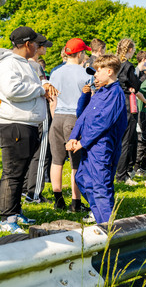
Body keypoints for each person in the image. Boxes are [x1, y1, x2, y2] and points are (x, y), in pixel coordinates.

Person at [0, 27, 57, 234]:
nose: (37, 46)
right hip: (15, 123)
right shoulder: (9, 63)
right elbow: (12, 90)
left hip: (26, 123)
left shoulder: (23, 63)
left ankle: (15, 211)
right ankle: (7, 217)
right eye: (35, 42)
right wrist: (40, 90)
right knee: (13, 173)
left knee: (21, 172)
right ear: (27, 44)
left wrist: (43, 84)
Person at [66, 54, 127, 224]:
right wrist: (73, 137)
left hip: (102, 147)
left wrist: (82, 142)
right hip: (89, 145)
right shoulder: (100, 92)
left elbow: (103, 123)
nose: (95, 75)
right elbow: (83, 115)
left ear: (109, 71)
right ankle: (99, 214)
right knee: (82, 179)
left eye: (98, 71)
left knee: (101, 186)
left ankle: (107, 226)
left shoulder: (115, 93)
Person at [49, 38, 92, 212]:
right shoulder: (85, 74)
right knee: (76, 163)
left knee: (56, 161)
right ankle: (76, 202)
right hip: (75, 118)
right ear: (80, 53)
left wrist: (55, 118)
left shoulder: (55, 72)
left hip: (57, 116)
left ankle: (58, 200)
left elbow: (52, 100)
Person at [23, 35, 53, 204]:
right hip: (38, 112)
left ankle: (25, 187)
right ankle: (34, 193)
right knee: (40, 154)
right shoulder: (35, 66)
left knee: (26, 153)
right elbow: (45, 89)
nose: (46, 50)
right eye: (44, 47)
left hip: (24, 114)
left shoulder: (22, 64)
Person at [114, 39, 146, 186]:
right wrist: (131, 87)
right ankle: (121, 175)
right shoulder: (127, 65)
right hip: (127, 103)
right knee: (126, 140)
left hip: (115, 102)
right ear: (129, 50)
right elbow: (136, 84)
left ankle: (119, 171)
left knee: (118, 139)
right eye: (133, 50)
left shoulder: (115, 63)